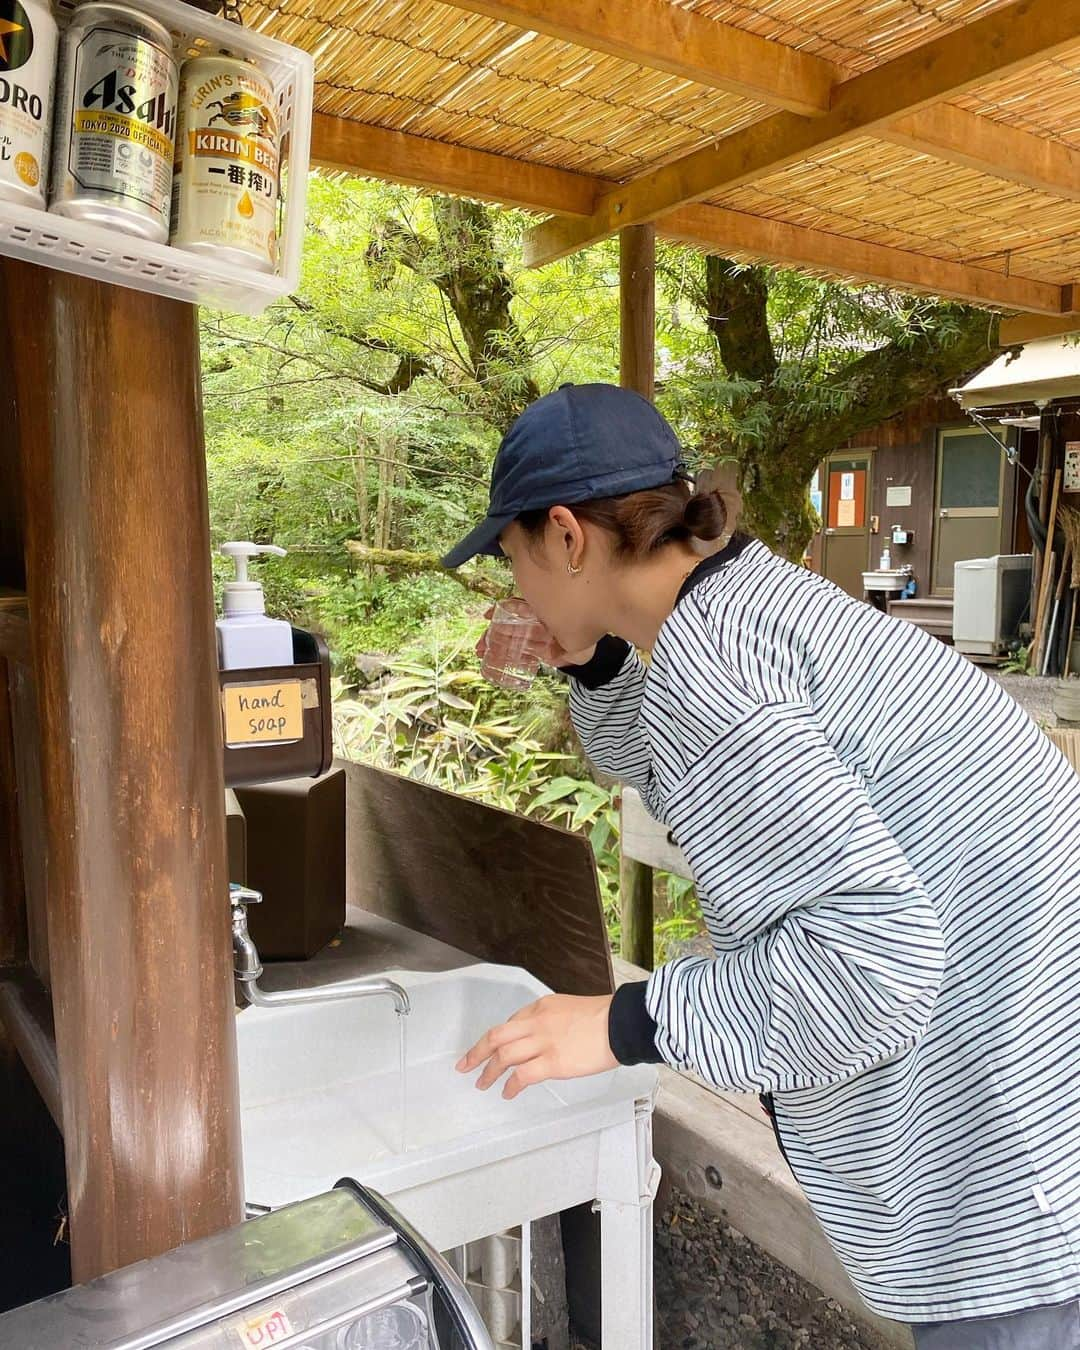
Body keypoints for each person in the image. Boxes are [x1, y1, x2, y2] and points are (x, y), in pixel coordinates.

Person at [444, 383, 1080, 1349]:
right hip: (1036, 1083)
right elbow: (655, 754)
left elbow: (871, 967)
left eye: (513, 555)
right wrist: (587, 658)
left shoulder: (715, 674)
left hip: (1006, 1179)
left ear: (567, 538)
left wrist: (624, 1023)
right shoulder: (746, 599)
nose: (515, 585)